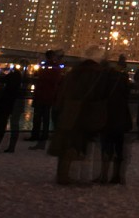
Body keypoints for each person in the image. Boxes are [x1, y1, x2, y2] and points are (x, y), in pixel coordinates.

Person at [48, 57, 102, 186]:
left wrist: (58, 109)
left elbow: (60, 95)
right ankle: (67, 176)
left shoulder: (71, 76)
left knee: (66, 144)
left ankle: (63, 174)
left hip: (67, 113)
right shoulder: (89, 79)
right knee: (73, 145)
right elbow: (93, 97)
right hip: (79, 114)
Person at [96, 58, 132, 185]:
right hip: (121, 117)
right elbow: (127, 95)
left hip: (107, 116)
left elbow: (99, 95)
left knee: (106, 145)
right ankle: (117, 176)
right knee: (119, 147)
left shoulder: (104, 79)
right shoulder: (123, 79)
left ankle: (104, 175)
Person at [0, 66, 27, 152]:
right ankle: (11, 147)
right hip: (14, 104)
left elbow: (2, 80)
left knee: (1, 126)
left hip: (5, 105)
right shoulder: (19, 84)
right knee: (14, 125)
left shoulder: (8, 86)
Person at [28, 52, 62, 147]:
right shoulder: (55, 67)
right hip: (48, 96)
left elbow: (40, 77)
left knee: (38, 117)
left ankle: (36, 135)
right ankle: (43, 135)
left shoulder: (46, 67)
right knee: (45, 118)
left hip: (41, 95)